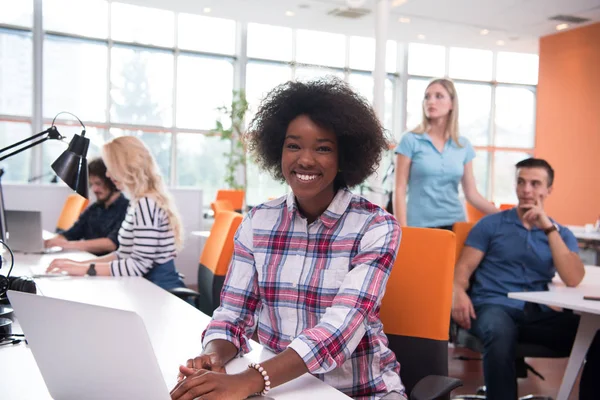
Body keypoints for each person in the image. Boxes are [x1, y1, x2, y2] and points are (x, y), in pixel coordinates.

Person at [170, 78, 406, 400]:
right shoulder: (258, 221)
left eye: (323, 148)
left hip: (359, 392)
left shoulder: (376, 227)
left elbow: (337, 332)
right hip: (281, 388)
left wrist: (248, 381)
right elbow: (233, 314)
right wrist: (213, 356)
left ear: (344, 157)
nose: (305, 159)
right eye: (293, 145)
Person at [451, 158, 599, 400]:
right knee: (500, 333)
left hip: (536, 313)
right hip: (492, 306)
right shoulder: (491, 224)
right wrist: (458, 292)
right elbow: (463, 269)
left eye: (535, 183)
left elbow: (573, 278)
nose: (526, 190)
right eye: (521, 182)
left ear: (548, 190)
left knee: (595, 333)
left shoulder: (561, 233)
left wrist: (547, 227)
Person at [46, 136, 185, 291]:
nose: (107, 175)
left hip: (158, 290)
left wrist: (86, 270)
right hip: (143, 286)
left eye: (111, 167)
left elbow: (138, 266)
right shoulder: (138, 202)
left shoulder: (147, 204)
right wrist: (77, 264)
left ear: (126, 167)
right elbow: (122, 255)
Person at [394, 78, 497, 229]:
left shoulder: (463, 145)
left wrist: (503, 214)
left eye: (438, 96)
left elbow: (472, 194)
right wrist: (402, 229)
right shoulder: (410, 140)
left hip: (455, 223)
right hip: (418, 225)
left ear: (452, 104)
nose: (431, 101)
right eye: (427, 97)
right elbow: (399, 189)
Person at [44, 158, 129, 256]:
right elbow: (71, 234)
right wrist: (51, 242)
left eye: (98, 183)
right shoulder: (94, 208)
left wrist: (69, 245)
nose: (94, 189)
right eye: (91, 184)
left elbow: (111, 243)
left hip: (104, 264)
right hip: (86, 258)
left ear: (111, 181)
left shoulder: (126, 208)